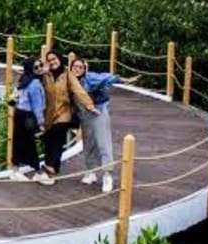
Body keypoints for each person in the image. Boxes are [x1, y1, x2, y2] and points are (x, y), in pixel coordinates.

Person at [70, 57, 139, 193]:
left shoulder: (91, 78)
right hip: (84, 115)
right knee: (89, 143)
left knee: (103, 143)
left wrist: (124, 80)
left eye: (80, 67)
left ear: (85, 69)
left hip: (98, 112)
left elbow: (107, 78)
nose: (77, 69)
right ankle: (90, 172)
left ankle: (108, 175)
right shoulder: (70, 81)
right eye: (75, 67)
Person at [40, 49, 97, 185]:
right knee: (48, 142)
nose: (53, 62)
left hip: (63, 113)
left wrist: (89, 105)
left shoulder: (67, 75)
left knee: (57, 142)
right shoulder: (45, 74)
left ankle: (51, 170)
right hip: (48, 114)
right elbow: (33, 79)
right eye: (50, 60)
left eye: (54, 59)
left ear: (60, 59)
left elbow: (78, 89)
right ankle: (51, 168)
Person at [10, 56, 47, 182]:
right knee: (29, 143)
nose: (40, 68)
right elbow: (37, 106)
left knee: (18, 141)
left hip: (19, 114)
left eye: (41, 65)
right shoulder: (35, 83)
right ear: (31, 68)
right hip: (28, 116)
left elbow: (14, 97)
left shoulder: (24, 79)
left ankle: (15, 169)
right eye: (36, 67)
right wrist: (41, 123)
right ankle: (38, 171)